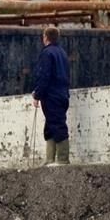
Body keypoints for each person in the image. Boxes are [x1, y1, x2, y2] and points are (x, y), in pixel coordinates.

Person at [32, 25, 71, 165]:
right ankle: (50, 159)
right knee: (51, 125)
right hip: (62, 94)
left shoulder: (47, 53)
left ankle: (62, 159)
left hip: (51, 96)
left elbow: (45, 76)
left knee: (56, 125)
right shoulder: (62, 53)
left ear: (45, 38)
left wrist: (37, 94)